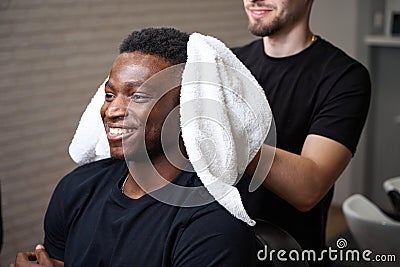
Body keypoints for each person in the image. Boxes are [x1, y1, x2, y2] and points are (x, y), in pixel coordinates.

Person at [9, 28, 257, 267]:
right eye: (109, 95)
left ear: (186, 110)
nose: (113, 110)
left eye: (137, 96)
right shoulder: (76, 189)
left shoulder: (211, 224)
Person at [233, 0, 371, 265]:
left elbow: (308, 188)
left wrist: (230, 138)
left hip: (287, 252)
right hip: (220, 245)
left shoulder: (344, 77)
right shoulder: (231, 64)